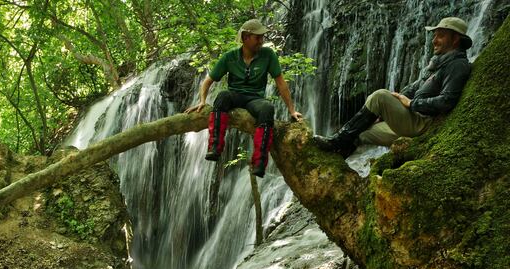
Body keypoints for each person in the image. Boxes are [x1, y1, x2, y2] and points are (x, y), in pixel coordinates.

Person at [315, 17, 472, 157]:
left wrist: (410, 103)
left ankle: (336, 141)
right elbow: (414, 87)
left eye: (441, 36)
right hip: (413, 120)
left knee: (379, 96)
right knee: (363, 131)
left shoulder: (457, 65)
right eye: (435, 35)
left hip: (423, 124)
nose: (434, 40)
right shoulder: (439, 63)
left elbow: (447, 101)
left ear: (455, 39)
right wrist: (385, 111)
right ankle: (338, 156)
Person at [186, 18, 303, 177]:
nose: (261, 41)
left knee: (267, 108)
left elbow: (281, 84)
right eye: (257, 37)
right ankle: (215, 148)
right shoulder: (230, 57)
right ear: (245, 38)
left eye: (262, 37)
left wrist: (292, 110)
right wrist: (202, 101)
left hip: (255, 99)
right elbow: (207, 82)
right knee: (222, 97)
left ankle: (259, 163)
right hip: (235, 96)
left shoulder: (268, 55)